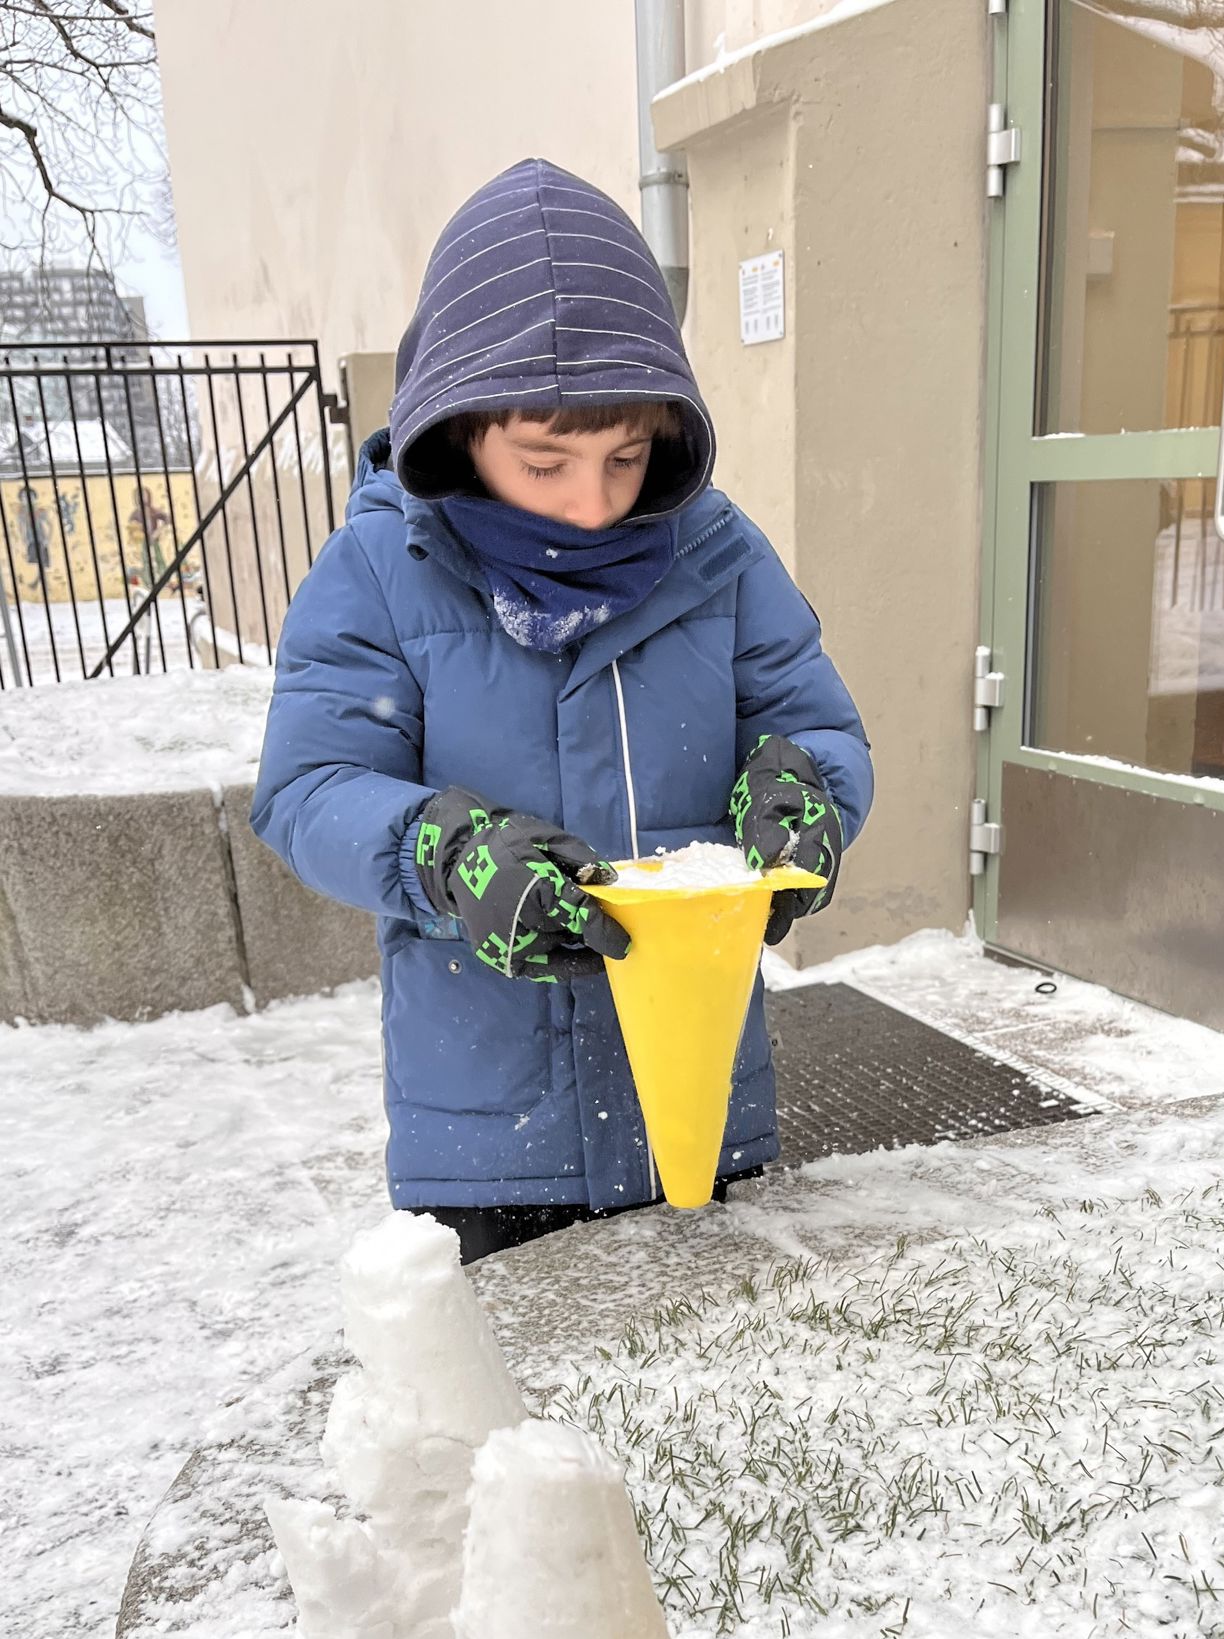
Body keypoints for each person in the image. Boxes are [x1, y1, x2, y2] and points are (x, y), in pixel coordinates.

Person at [253, 157, 872, 1263]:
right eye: (546, 462)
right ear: (459, 430)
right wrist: (442, 851)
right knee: (529, 1427)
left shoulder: (717, 554)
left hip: (697, 1095)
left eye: (625, 457)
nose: (593, 505)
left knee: (701, 1399)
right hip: (495, 1129)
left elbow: (810, 721)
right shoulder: (379, 569)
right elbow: (308, 788)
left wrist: (800, 786)